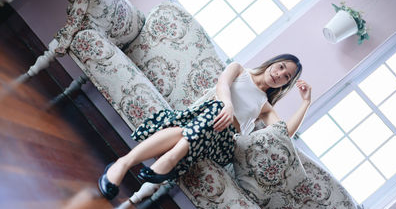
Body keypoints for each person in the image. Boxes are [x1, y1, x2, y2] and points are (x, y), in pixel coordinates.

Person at [98, 54, 311, 200]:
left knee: (202, 123)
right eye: (281, 66)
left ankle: (129, 162)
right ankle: (133, 163)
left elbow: (283, 134)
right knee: (208, 115)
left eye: (286, 77)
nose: (279, 74)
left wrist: (305, 103)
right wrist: (227, 105)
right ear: (273, 62)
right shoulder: (238, 70)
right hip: (198, 123)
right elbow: (222, 85)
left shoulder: (265, 106)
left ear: (285, 85)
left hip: (221, 145)